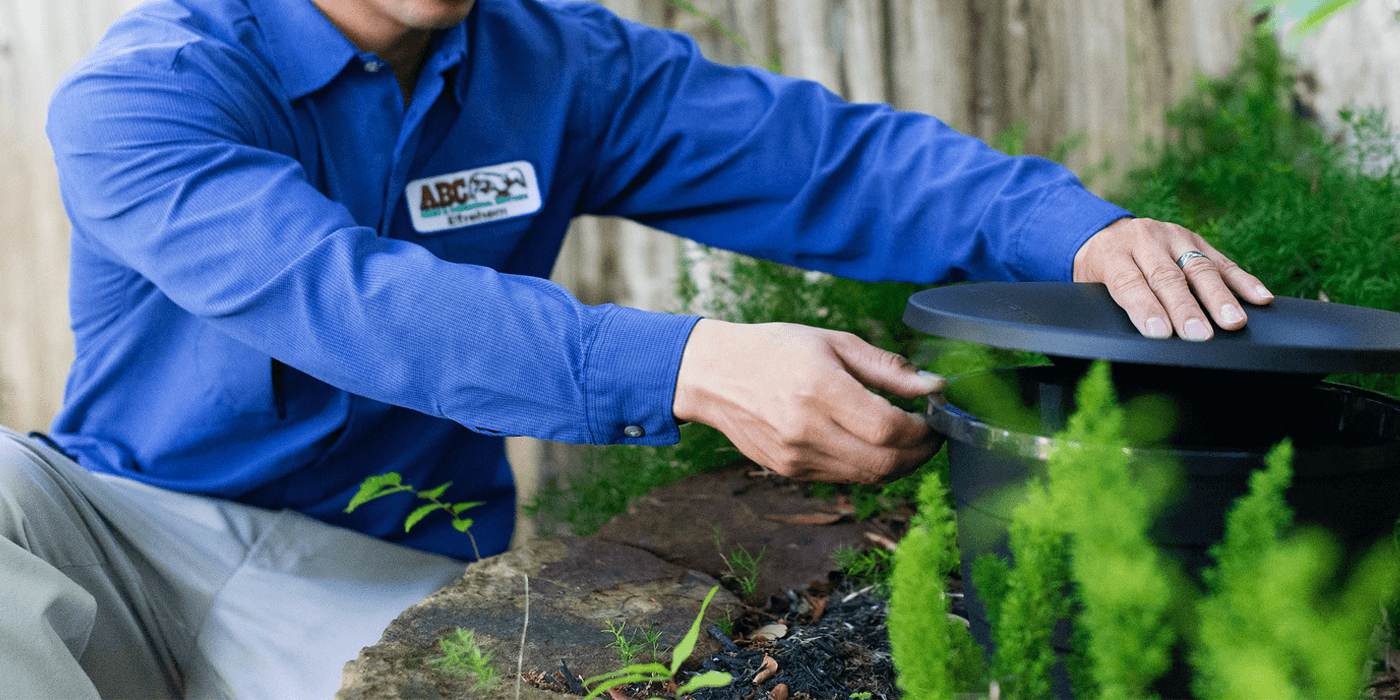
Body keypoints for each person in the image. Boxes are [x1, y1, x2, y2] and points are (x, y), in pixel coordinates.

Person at [1, 0, 1273, 697]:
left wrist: (1081, 234)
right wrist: (688, 365)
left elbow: (823, 159)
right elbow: (338, 296)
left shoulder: (558, 64)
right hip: (112, 519)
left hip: (368, 560)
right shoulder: (151, 89)